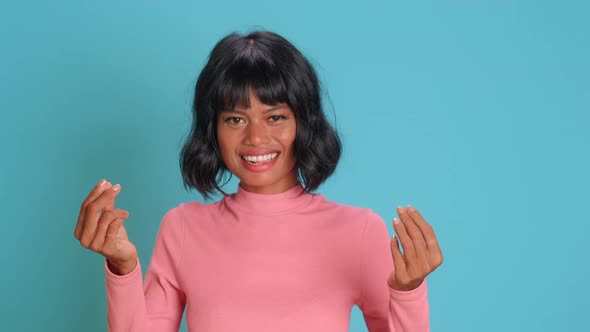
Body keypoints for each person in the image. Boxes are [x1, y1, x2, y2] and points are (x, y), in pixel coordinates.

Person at [74, 30, 443, 332]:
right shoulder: (183, 228)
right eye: (236, 119)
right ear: (213, 128)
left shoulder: (359, 232)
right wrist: (123, 268)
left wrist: (408, 291)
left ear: (304, 122)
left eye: (275, 117)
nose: (255, 138)